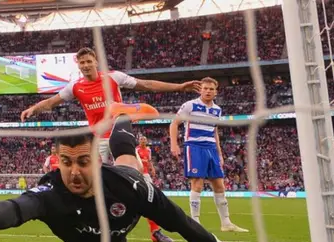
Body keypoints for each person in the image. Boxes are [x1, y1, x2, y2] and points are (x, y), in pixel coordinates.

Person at [0, 130, 255, 242]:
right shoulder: (51, 190)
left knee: (129, 159)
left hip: (123, 202)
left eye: (83, 162)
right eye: (66, 162)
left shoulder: (128, 187)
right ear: (57, 161)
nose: (74, 172)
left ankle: (120, 123)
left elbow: (177, 219)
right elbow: (20, 205)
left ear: (96, 160)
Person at [21, 47, 200, 166]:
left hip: (120, 134)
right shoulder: (75, 87)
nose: (85, 65)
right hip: (98, 140)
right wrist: (33, 109)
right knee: (98, 182)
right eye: (82, 62)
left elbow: (147, 85)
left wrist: (180, 86)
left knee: (138, 177)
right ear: (79, 65)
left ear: (96, 62)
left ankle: (154, 224)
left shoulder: (114, 77)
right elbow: (51, 102)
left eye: (88, 61)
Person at [169, 77, 248, 232]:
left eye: (211, 89)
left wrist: (219, 153)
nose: (208, 91)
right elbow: (174, 123)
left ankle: (226, 223)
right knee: (197, 183)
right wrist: (174, 144)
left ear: (215, 92)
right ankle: (195, 223)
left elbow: (214, 130)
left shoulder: (217, 110)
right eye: (205, 88)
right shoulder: (190, 105)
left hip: (211, 147)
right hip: (194, 146)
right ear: (200, 90)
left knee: (219, 184)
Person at [136, 135, 174, 242]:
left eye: (144, 139)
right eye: (141, 140)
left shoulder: (148, 150)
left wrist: (152, 168)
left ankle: (155, 231)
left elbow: (148, 161)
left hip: (146, 174)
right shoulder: (136, 150)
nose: (143, 141)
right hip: (138, 174)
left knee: (150, 199)